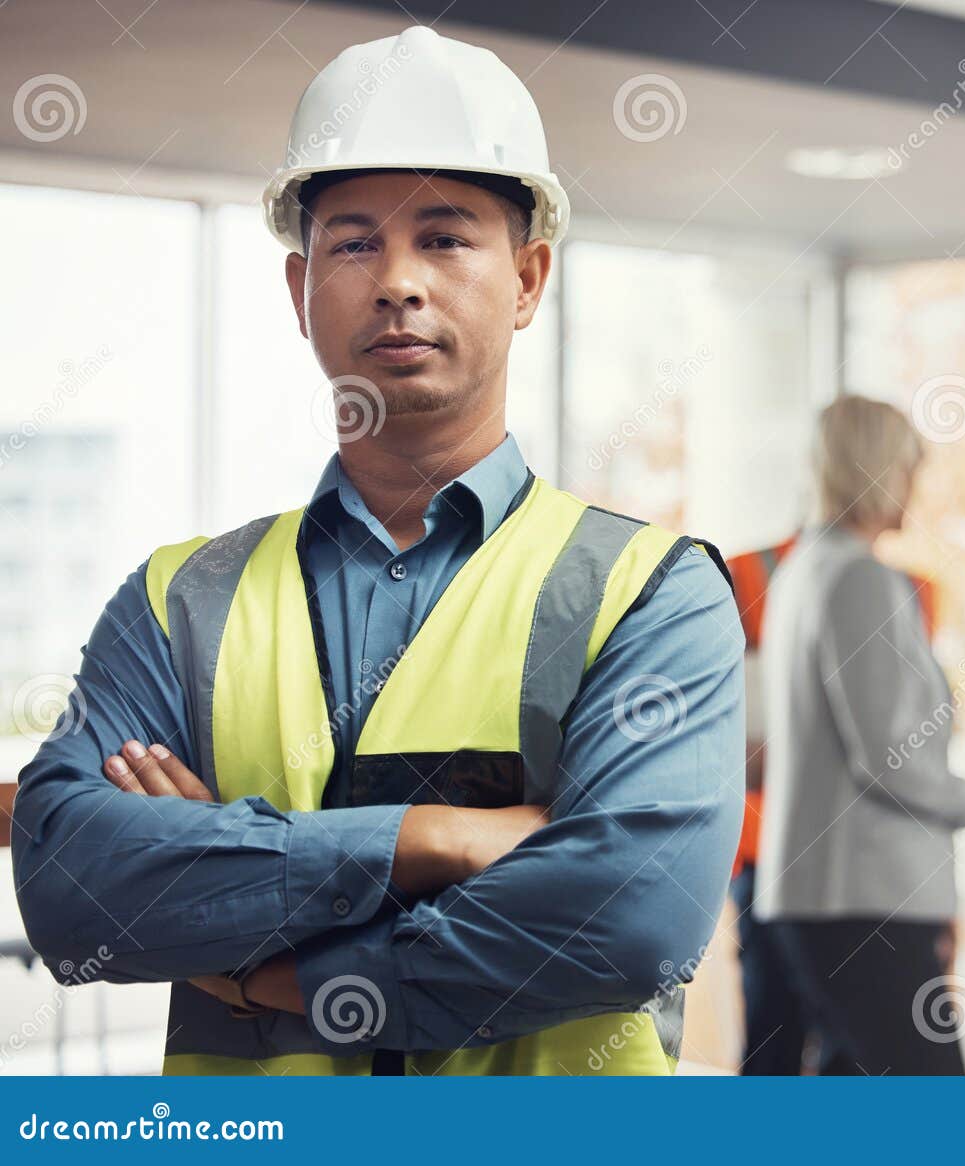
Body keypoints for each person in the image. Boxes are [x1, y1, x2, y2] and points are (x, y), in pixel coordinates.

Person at [10, 25, 743, 1077]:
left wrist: (275, 973)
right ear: (300, 287)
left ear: (528, 279)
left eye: (445, 238)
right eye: (355, 242)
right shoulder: (181, 599)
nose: (398, 279)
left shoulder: (651, 595)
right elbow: (71, 888)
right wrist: (430, 840)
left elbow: (628, 917)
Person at [753, 395, 965, 1075]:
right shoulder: (861, 579)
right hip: (865, 902)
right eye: (906, 470)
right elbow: (888, 757)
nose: (913, 489)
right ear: (874, 469)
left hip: (825, 897)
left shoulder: (804, 573)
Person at [725, 536, 938, 1074]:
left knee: (853, 1057)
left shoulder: (914, 591)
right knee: (774, 1038)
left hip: (870, 873)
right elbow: (730, 741)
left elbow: (911, 742)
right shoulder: (748, 573)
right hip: (772, 857)